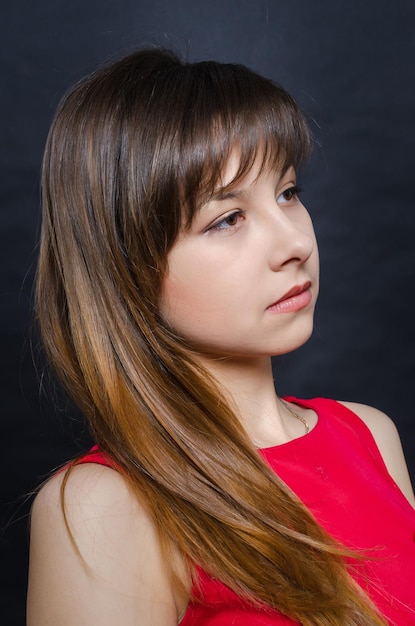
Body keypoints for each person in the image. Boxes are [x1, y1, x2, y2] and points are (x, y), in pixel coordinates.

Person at [27, 48, 415, 626]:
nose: (295, 244)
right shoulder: (106, 507)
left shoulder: (369, 435)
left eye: (288, 192)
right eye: (226, 219)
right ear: (125, 265)